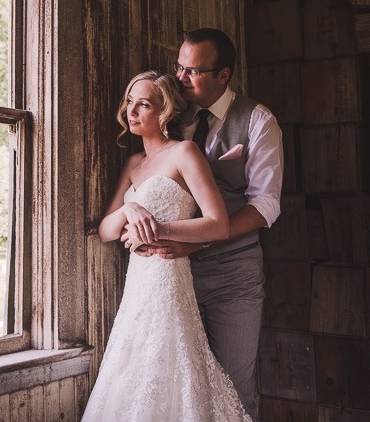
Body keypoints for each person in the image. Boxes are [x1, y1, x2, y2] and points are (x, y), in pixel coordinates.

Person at [127, 28, 283, 419]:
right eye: (178, 67)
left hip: (234, 278)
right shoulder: (169, 115)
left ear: (223, 75)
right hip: (173, 277)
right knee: (180, 389)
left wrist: (198, 243)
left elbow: (266, 204)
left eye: (192, 71)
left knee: (233, 388)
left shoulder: (258, 120)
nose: (179, 78)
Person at [82, 70, 251, 422]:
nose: (132, 110)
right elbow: (106, 231)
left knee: (172, 368)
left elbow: (218, 225)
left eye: (144, 104)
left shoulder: (185, 153)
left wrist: (158, 229)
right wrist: (129, 208)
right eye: (130, 101)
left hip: (170, 280)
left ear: (167, 112)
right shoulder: (133, 164)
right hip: (137, 287)